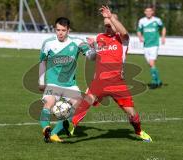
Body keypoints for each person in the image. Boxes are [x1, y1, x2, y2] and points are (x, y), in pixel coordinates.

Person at [63, 6, 152, 142]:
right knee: (87, 101)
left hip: (117, 82)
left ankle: (139, 131)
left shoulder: (122, 39)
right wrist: (92, 47)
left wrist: (110, 17)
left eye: (110, 25)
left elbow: (124, 32)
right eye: (106, 26)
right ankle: (72, 125)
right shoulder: (99, 37)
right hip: (100, 80)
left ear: (115, 24)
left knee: (132, 113)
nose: (107, 28)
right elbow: (93, 57)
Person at [38, 17, 95, 143]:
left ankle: (53, 134)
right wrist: (41, 81)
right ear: (55, 29)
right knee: (49, 103)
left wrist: (93, 48)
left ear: (68, 30)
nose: (60, 33)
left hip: (70, 84)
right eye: (58, 30)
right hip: (53, 82)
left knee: (77, 104)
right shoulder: (48, 43)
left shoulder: (77, 42)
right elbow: (42, 61)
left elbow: (92, 57)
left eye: (63, 30)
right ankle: (46, 128)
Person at [137, 5, 166, 89]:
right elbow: (139, 30)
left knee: (151, 62)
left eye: (150, 11)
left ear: (152, 12)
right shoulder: (142, 21)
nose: (148, 12)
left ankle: (154, 82)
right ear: (145, 12)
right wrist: (140, 37)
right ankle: (159, 81)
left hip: (154, 45)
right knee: (150, 64)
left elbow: (163, 27)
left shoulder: (157, 20)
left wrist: (163, 37)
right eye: (147, 11)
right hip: (146, 45)